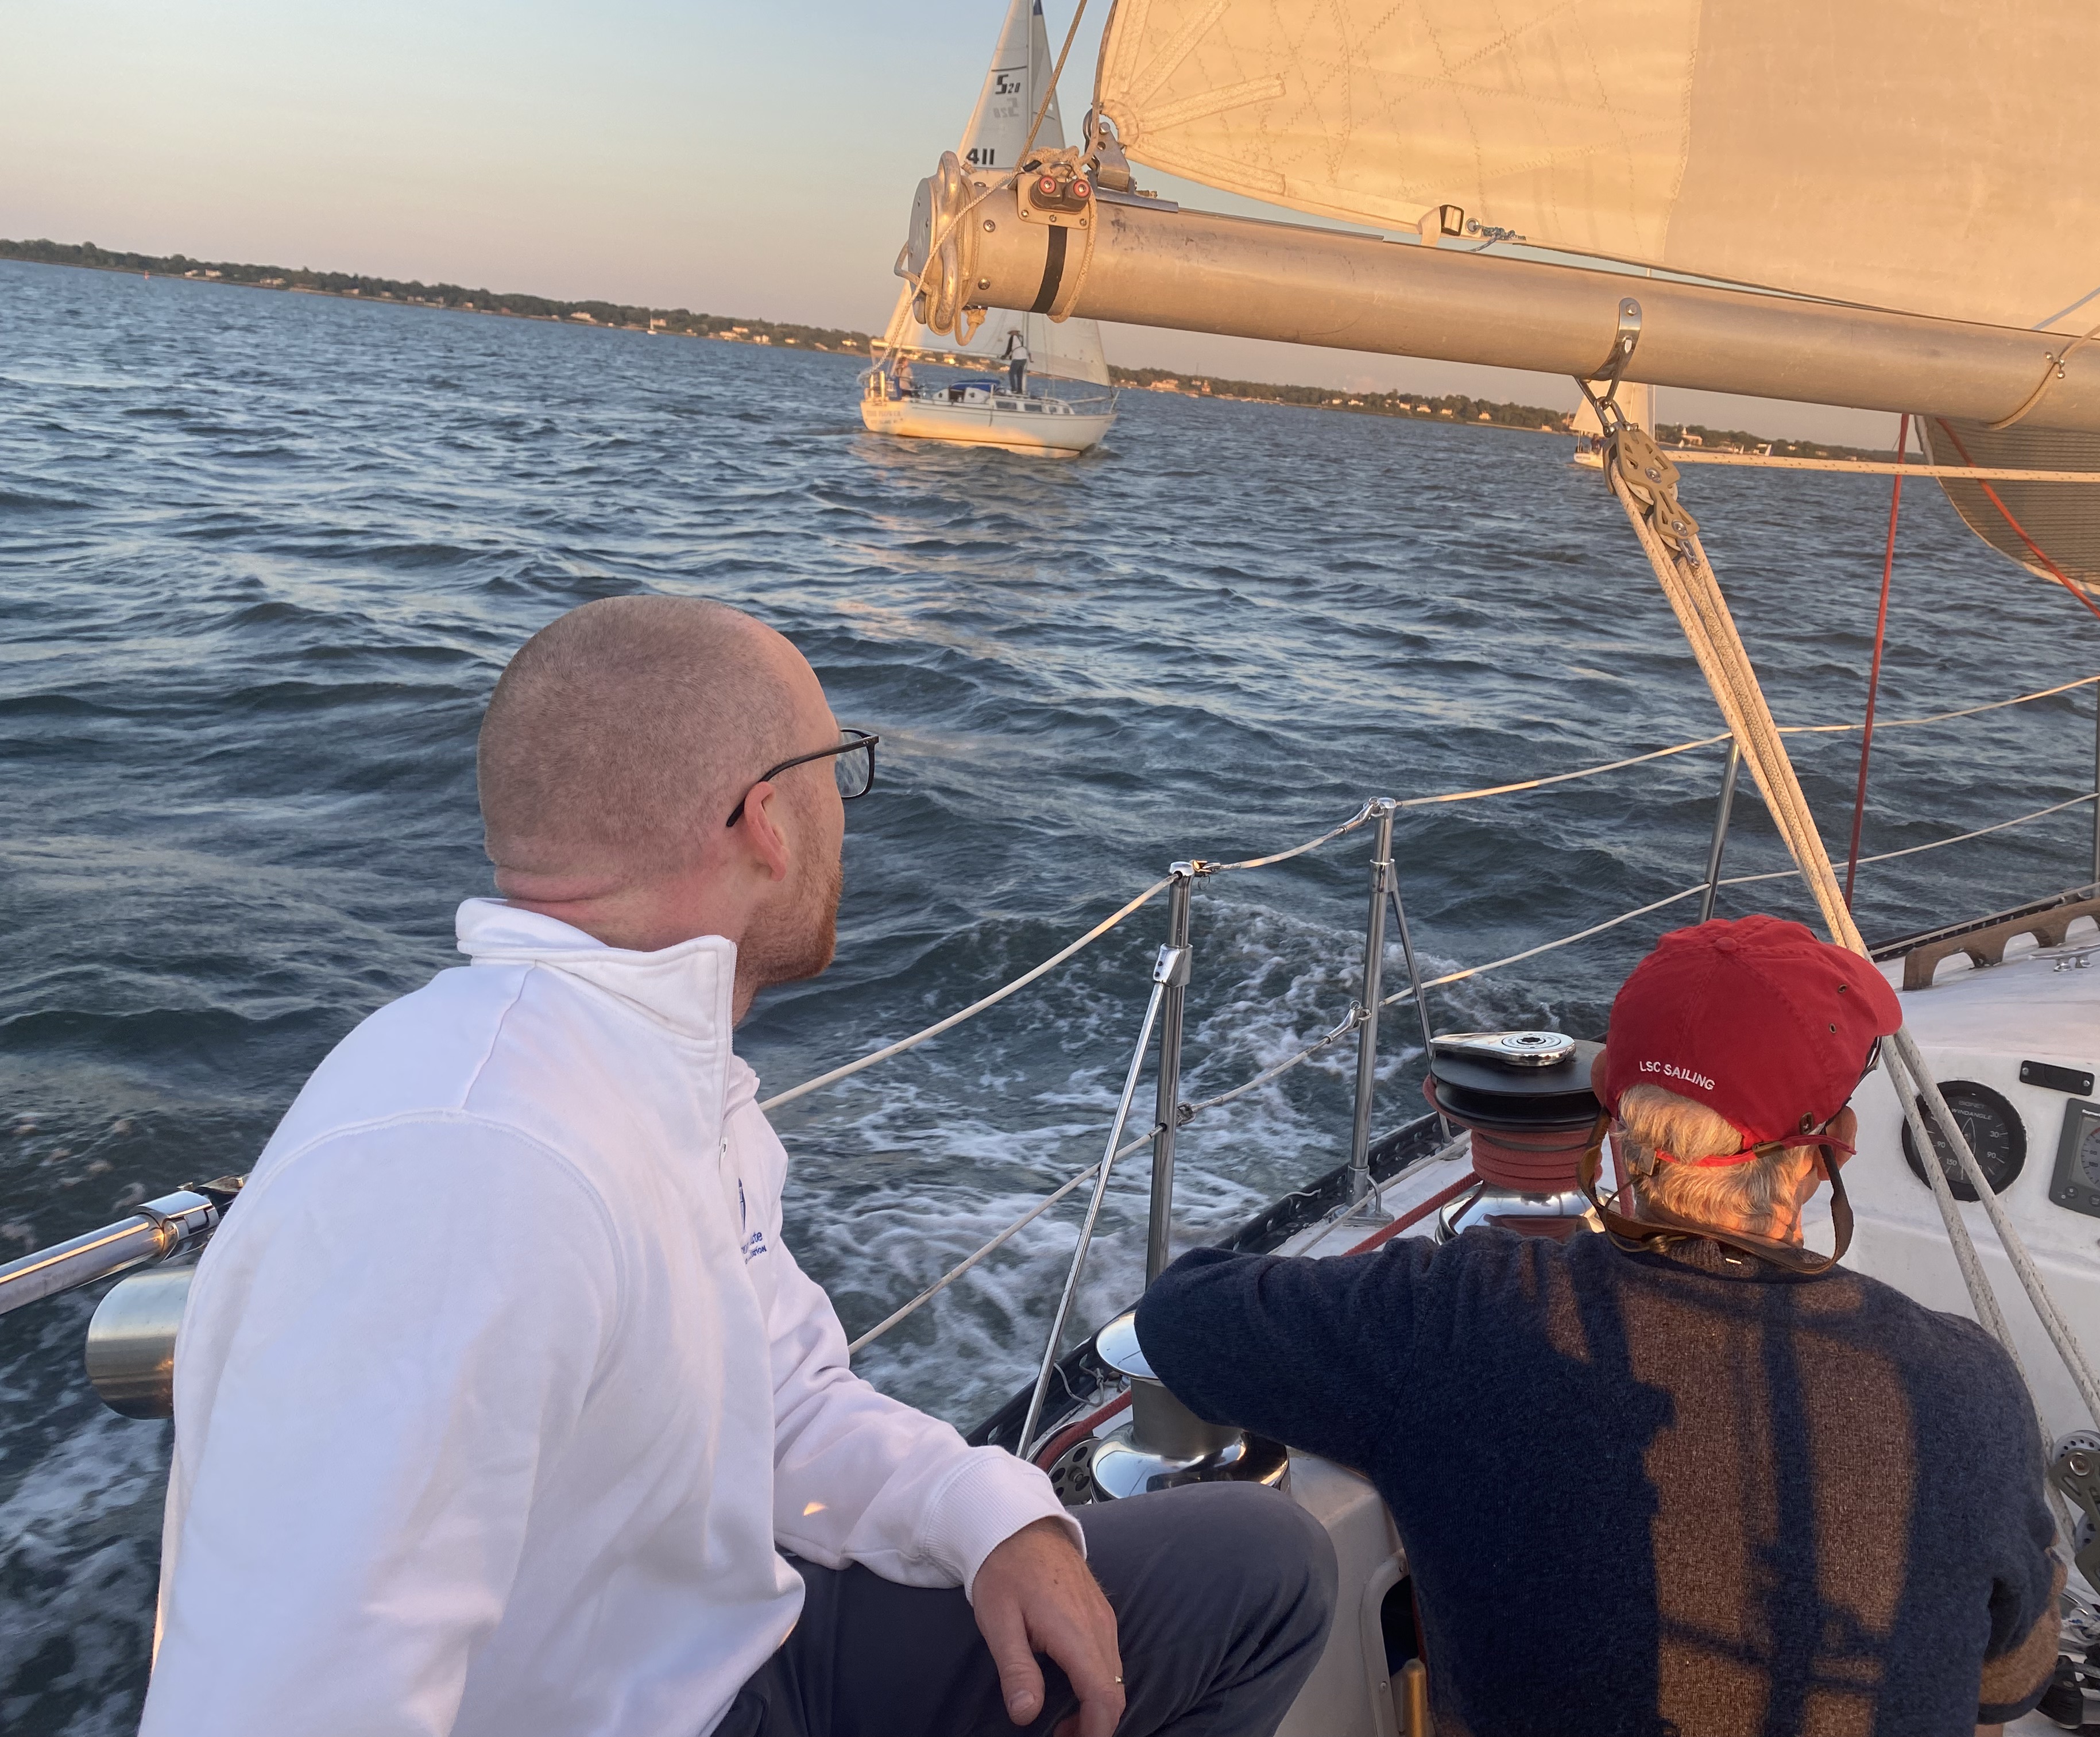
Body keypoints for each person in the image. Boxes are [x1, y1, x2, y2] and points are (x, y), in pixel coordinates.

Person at [142, 596, 1335, 1737]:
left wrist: (995, 1521)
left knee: (1259, 1567)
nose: (846, 817)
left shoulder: (654, 1076)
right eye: (838, 771)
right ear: (765, 817)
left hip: (729, 1654)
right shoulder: (473, 1166)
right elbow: (284, 1699)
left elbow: (781, 1403)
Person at [1136, 914, 2062, 1737]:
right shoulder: (1964, 1386)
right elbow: (2010, 1684)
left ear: (1613, 1124)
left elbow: (1183, 1316)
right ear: (1833, 1154)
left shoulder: (1456, 1314)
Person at [1003, 327, 1030, 395]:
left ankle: (1014, 389)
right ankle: (1020, 390)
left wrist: (1005, 356)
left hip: (1017, 358)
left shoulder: (1013, 337)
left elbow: (1009, 347)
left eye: (1011, 333)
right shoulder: (1022, 338)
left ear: (1014, 332)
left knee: (1011, 373)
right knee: (1019, 375)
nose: (1011, 334)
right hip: (1024, 358)